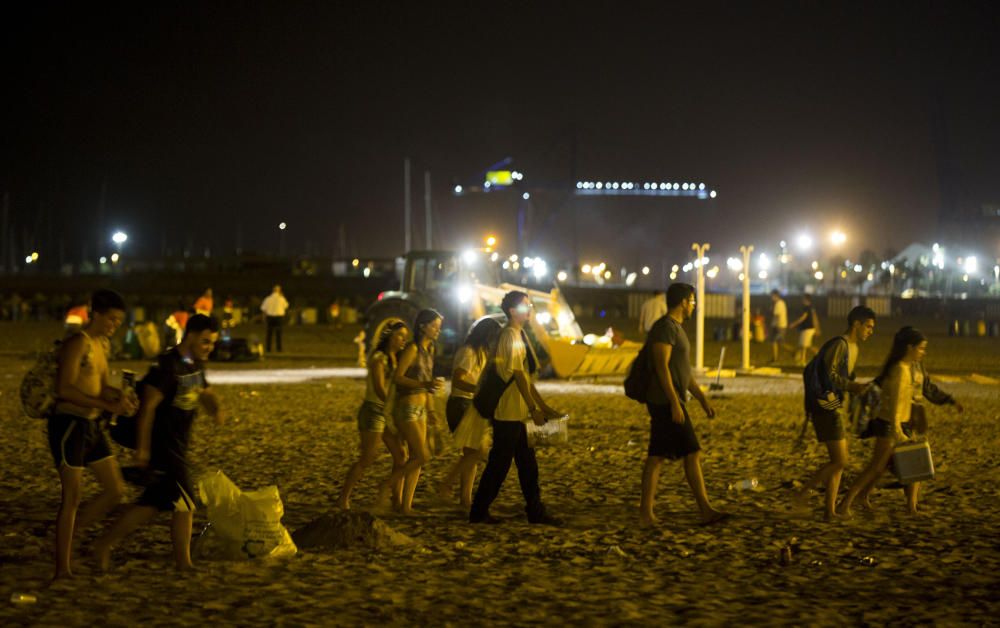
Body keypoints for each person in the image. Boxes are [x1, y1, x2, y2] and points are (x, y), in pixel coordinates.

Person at [94, 315, 224, 571]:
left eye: (212, 343)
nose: (210, 347)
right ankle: (183, 563)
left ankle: (103, 545)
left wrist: (215, 409)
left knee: (151, 505)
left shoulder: (193, 363)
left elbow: (204, 391)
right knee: (185, 502)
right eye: (206, 341)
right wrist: (143, 449)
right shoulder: (168, 366)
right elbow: (148, 409)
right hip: (163, 446)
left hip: (178, 444)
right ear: (192, 336)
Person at [48, 289, 137, 579]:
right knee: (72, 497)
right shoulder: (78, 343)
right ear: (94, 314)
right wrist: (103, 403)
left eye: (118, 321)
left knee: (115, 490)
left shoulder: (102, 345)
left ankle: (70, 539)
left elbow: (99, 386)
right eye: (110, 319)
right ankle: (63, 567)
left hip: (92, 426)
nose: (114, 325)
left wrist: (119, 399)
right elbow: (65, 389)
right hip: (69, 425)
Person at [838, 327, 963, 516]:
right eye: (920, 348)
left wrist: (949, 401)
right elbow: (895, 403)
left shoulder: (912, 367)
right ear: (909, 347)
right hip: (890, 424)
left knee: (911, 464)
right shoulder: (898, 370)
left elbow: (925, 389)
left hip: (903, 422)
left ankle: (910, 507)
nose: (923, 352)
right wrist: (898, 431)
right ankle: (845, 503)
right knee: (876, 467)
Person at [469, 291, 564, 525]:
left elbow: (526, 379)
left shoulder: (517, 334)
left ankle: (535, 511)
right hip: (508, 412)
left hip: (517, 412)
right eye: (524, 306)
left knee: (527, 464)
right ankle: (479, 511)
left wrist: (543, 406)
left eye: (529, 305)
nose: (529, 309)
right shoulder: (510, 336)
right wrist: (534, 409)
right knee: (500, 465)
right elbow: (519, 376)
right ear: (512, 311)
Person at [639, 283, 728, 526]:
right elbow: (661, 367)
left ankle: (647, 513)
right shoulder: (665, 328)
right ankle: (704, 510)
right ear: (683, 302)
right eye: (693, 301)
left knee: (659, 456)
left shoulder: (676, 328)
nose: (694, 305)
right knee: (689, 453)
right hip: (665, 402)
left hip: (671, 401)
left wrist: (702, 399)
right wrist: (674, 403)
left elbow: (683, 373)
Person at [792, 305, 876, 521]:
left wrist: (854, 390)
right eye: (868, 326)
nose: (870, 331)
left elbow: (842, 378)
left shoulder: (854, 347)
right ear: (855, 324)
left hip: (834, 405)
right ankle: (802, 494)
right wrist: (852, 386)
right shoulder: (840, 344)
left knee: (838, 462)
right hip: (826, 405)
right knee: (840, 461)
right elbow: (828, 376)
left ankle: (829, 511)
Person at [377, 309, 444, 515]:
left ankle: (406, 506)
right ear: (422, 326)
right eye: (434, 326)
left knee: (417, 458)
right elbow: (398, 377)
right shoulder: (413, 349)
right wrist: (424, 383)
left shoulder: (430, 349)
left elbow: (428, 382)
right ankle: (387, 485)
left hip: (422, 408)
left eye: (439, 327)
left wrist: (431, 410)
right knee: (423, 456)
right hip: (407, 407)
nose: (437, 331)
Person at [337, 321, 410, 510]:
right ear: (389, 337)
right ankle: (344, 497)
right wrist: (393, 408)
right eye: (400, 336)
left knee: (401, 455)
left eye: (405, 336)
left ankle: (396, 498)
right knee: (368, 457)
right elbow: (379, 388)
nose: (403, 340)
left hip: (386, 411)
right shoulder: (379, 358)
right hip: (374, 410)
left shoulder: (396, 357)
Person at [437, 316, 503, 508]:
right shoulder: (468, 352)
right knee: (476, 452)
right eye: (494, 337)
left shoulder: (482, 352)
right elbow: (457, 380)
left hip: (470, 404)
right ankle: (446, 484)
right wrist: (479, 390)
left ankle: (465, 500)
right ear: (487, 335)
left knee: (471, 454)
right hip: (460, 404)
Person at [788, 295, 821, 366]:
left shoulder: (806, 308)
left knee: (805, 345)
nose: (802, 300)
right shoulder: (812, 308)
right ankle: (802, 359)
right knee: (804, 345)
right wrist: (817, 328)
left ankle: (817, 353)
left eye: (803, 299)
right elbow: (815, 318)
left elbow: (803, 318)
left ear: (806, 300)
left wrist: (794, 324)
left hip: (808, 329)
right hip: (809, 329)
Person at [260, 285, 289, 353]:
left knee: (269, 334)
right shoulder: (281, 298)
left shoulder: (268, 298)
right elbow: (286, 306)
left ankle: (268, 348)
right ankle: (279, 348)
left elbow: (264, 309)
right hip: (279, 317)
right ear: (279, 291)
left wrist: (264, 317)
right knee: (278, 334)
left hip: (270, 317)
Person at [769, 289, 789, 363]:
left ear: (775, 296)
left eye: (772, 296)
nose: (771, 298)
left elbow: (776, 315)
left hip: (779, 326)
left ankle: (793, 351)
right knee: (777, 342)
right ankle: (775, 357)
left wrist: (774, 325)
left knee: (777, 342)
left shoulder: (778, 304)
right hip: (782, 325)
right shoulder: (782, 303)